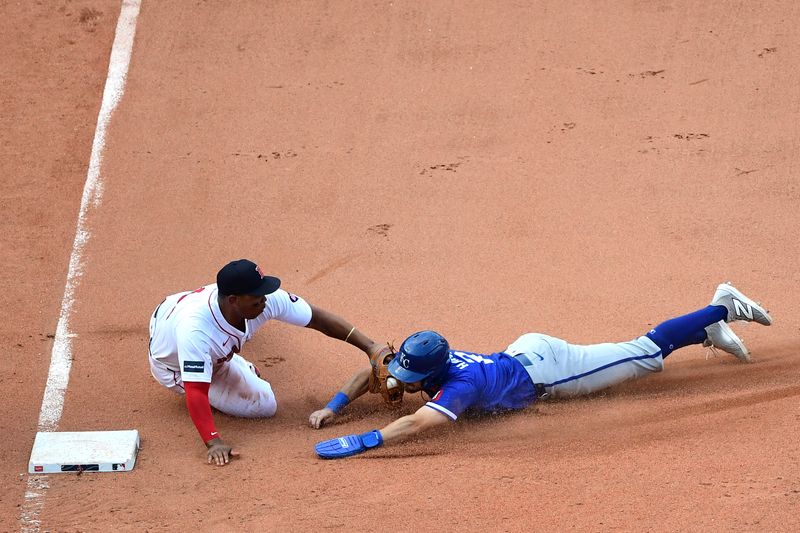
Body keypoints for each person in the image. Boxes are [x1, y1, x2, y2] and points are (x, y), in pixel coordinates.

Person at [311, 282, 772, 459]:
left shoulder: (460, 384)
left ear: (428, 372)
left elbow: (417, 422)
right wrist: (335, 407)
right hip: (524, 351)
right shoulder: (424, 360)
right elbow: (371, 371)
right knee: (638, 356)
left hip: (551, 370)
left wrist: (367, 438)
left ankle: (720, 308)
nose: (401, 382)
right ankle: (706, 332)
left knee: (644, 354)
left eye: (410, 379)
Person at [148, 258, 386, 466]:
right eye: (256, 299)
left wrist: (371, 347)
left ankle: (231, 360)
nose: (264, 301)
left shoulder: (260, 300)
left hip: (174, 309)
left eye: (263, 293)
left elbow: (317, 318)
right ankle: (231, 363)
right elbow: (196, 391)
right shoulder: (196, 333)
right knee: (263, 406)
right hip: (173, 365)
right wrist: (213, 441)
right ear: (233, 300)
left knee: (232, 359)